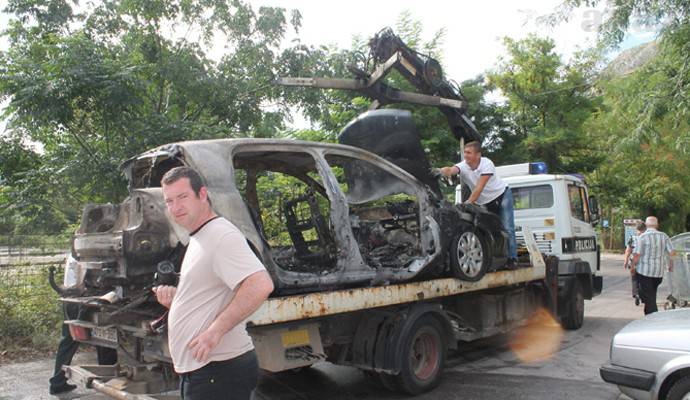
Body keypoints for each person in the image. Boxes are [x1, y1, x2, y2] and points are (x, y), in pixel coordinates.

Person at [154, 166, 274, 400]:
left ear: (202, 194)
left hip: (219, 370)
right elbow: (212, 294)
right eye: (169, 201)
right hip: (206, 370)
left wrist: (214, 332)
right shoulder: (200, 236)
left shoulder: (221, 235)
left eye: (182, 197)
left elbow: (260, 284)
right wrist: (177, 302)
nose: (175, 207)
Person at [439, 141, 518, 268]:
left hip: (501, 196)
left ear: (478, 155)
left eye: (469, 153)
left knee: (507, 228)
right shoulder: (463, 165)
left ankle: (512, 258)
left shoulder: (487, 164)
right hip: (484, 202)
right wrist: (439, 171)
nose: (466, 155)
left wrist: (467, 203)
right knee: (490, 230)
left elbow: (478, 189)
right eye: (464, 152)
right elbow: (450, 170)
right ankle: (496, 260)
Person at [49, 255, 118, 395]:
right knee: (105, 338)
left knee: (68, 342)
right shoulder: (96, 253)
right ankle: (109, 381)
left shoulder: (75, 253)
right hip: (89, 300)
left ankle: (57, 382)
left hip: (71, 299)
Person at [630, 216, 675, 315]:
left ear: (646, 225)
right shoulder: (664, 236)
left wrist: (633, 266)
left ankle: (653, 317)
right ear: (657, 225)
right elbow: (672, 253)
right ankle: (648, 314)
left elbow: (637, 255)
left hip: (644, 273)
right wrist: (671, 265)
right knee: (651, 295)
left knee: (649, 298)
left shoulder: (642, 237)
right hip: (658, 273)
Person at [623, 221, 646, 306]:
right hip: (644, 262)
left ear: (636, 229)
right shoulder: (646, 238)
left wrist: (625, 260)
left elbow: (628, 250)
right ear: (645, 229)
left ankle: (636, 293)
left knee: (634, 278)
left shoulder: (632, 238)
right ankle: (642, 295)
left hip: (633, 262)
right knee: (643, 279)